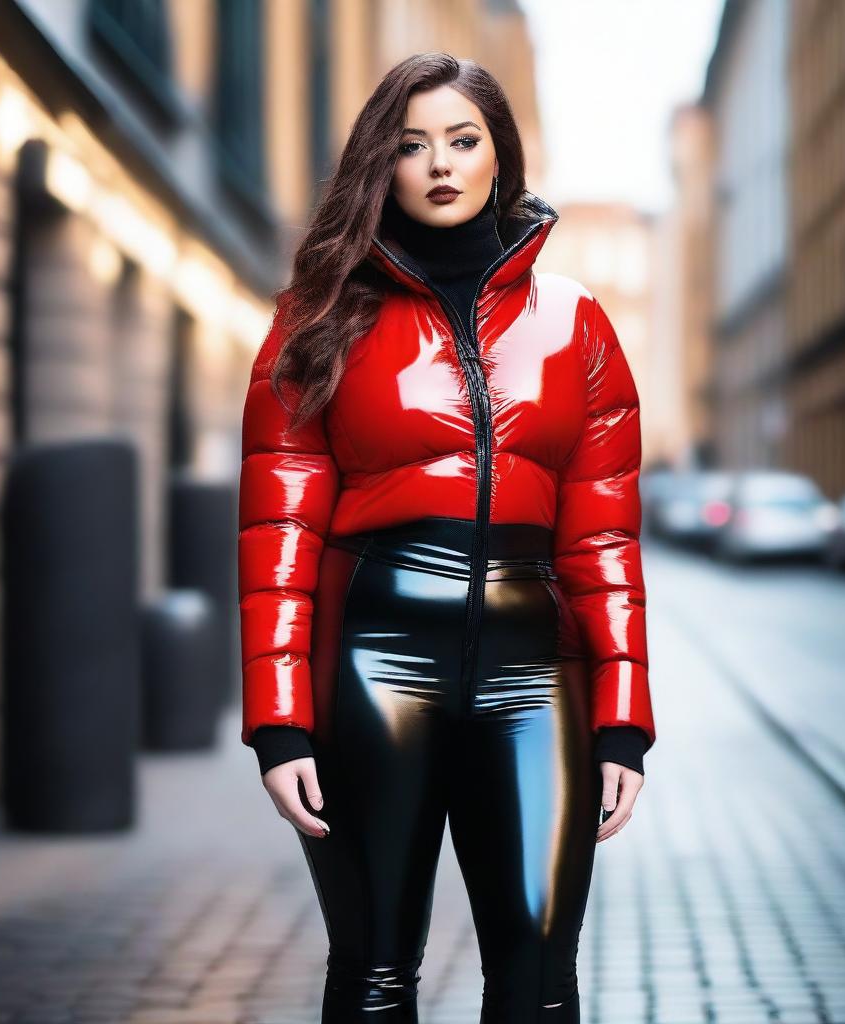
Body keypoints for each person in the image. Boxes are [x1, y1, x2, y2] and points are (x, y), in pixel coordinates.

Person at [237, 52, 655, 1023]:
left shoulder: (575, 324)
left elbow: (603, 540)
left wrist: (623, 718)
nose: (438, 163)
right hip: (373, 661)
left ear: (498, 158)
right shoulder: (317, 318)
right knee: (376, 965)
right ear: (379, 163)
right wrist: (280, 721)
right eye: (412, 143)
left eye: (462, 141)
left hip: (535, 671)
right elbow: (276, 529)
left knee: (539, 973)